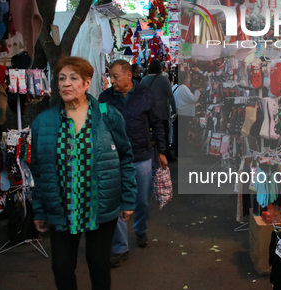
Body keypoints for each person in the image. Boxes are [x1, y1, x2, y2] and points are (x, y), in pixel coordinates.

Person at [30, 56, 137, 290]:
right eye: (61, 79)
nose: (66, 84)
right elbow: (39, 171)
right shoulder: (44, 122)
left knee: (98, 265)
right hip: (62, 209)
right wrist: (39, 210)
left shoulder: (107, 115)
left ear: (87, 83)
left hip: (100, 206)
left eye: (73, 78)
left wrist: (128, 199)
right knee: (61, 267)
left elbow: (125, 159)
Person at [99, 60, 168, 268]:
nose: (111, 81)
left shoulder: (145, 94)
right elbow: (100, 125)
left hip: (141, 156)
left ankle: (140, 229)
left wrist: (162, 151)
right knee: (118, 202)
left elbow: (156, 123)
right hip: (114, 158)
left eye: (115, 77)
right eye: (110, 77)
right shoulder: (104, 98)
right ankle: (120, 247)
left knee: (141, 201)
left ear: (128, 75)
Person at [141, 59, 176, 163]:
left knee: (149, 133)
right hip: (162, 112)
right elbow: (170, 95)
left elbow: (140, 95)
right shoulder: (164, 79)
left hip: (148, 111)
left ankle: (149, 154)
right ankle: (165, 154)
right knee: (164, 133)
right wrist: (174, 109)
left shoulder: (144, 80)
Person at [176, 70, 202, 157]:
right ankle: (183, 151)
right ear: (184, 79)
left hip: (181, 113)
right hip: (183, 114)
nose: (190, 79)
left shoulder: (180, 87)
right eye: (188, 77)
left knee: (181, 133)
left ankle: (181, 150)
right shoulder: (183, 88)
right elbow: (193, 99)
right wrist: (198, 91)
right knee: (183, 133)